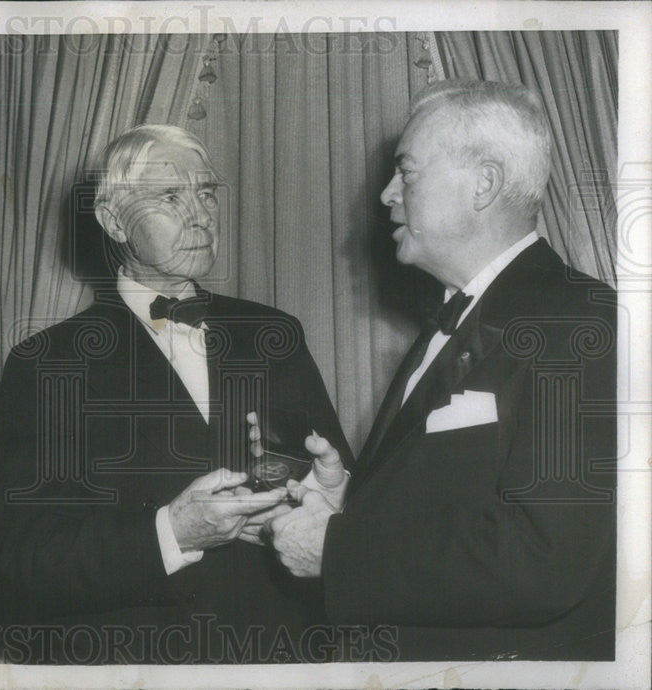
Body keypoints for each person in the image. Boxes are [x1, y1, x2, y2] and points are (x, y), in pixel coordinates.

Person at [263, 80, 617, 660]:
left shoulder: (579, 319)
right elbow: (461, 504)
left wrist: (339, 551)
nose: (385, 195)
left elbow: (545, 560)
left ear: (484, 184)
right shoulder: (449, 324)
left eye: (407, 172)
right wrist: (353, 501)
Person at [0, 124, 351, 663]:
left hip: (280, 656)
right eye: (169, 196)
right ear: (114, 221)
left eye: (206, 192)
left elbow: (339, 493)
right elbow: (28, 560)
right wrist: (172, 532)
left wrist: (337, 490)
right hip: (139, 662)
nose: (201, 214)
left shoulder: (275, 335)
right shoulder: (47, 363)